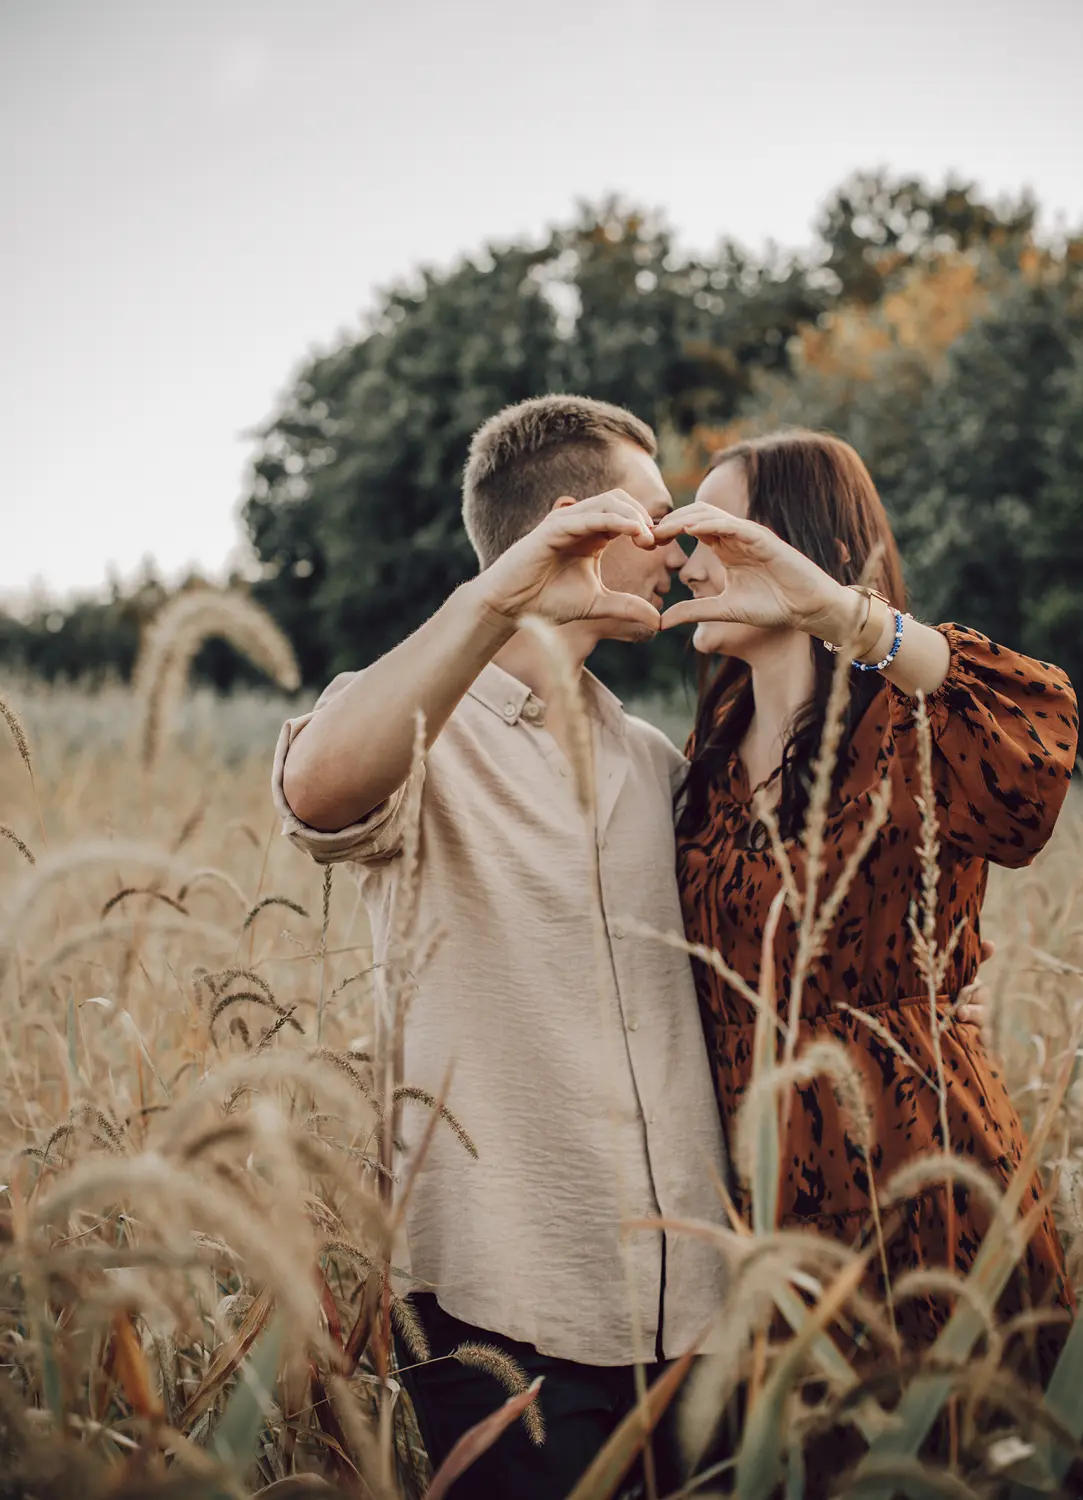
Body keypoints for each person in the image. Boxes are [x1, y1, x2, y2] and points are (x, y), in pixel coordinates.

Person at [271, 395, 731, 1498]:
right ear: (573, 524)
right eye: (657, 517)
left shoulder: (656, 763)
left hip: (703, 1318)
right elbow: (316, 790)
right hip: (506, 1308)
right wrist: (506, 591)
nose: (677, 547)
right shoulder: (414, 731)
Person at [654, 428, 1077, 1388]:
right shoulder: (712, 749)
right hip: (756, 1202)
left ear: (808, 548)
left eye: (716, 528)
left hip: (915, 1176)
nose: (685, 556)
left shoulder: (908, 720)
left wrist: (845, 617)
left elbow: (1037, 745)